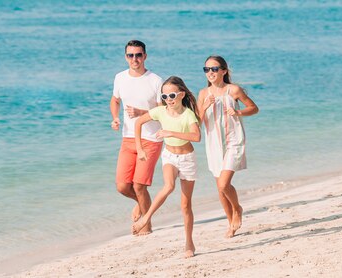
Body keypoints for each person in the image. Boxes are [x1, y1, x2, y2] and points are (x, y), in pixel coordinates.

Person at [132, 76, 201, 258]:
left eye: (171, 95)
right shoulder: (160, 111)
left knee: (185, 205)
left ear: (181, 94)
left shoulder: (188, 114)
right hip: (169, 155)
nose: (168, 100)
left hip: (187, 159)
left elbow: (196, 136)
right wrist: (140, 148)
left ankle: (189, 242)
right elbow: (138, 122)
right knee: (168, 186)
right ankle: (146, 217)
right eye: (164, 96)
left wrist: (170, 132)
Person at [197, 55, 259, 238]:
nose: (210, 73)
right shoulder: (203, 94)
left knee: (224, 184)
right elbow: (196, 123)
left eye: (214, 69)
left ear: (224, 71)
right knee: (220, 188)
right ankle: (230, 221)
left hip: (233, 140)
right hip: (214, 144)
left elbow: (254, 108)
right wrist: (204, 107)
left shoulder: (234, 90)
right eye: (207, 69)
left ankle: (237, 209)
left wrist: (238, 111)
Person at [110, 40, 164, 236]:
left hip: (151, 138)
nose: (135, 59)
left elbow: (163, 110)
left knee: (140, 185)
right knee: (123, 186)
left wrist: (142, 111)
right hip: (128, 137)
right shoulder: (120, 78)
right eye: (131, 55)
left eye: (139, 55)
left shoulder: (155, 80)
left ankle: (146, 225)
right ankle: (141, 205)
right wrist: (115, 118)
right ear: (126, 57)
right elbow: (115, 100)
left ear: (145, 56)